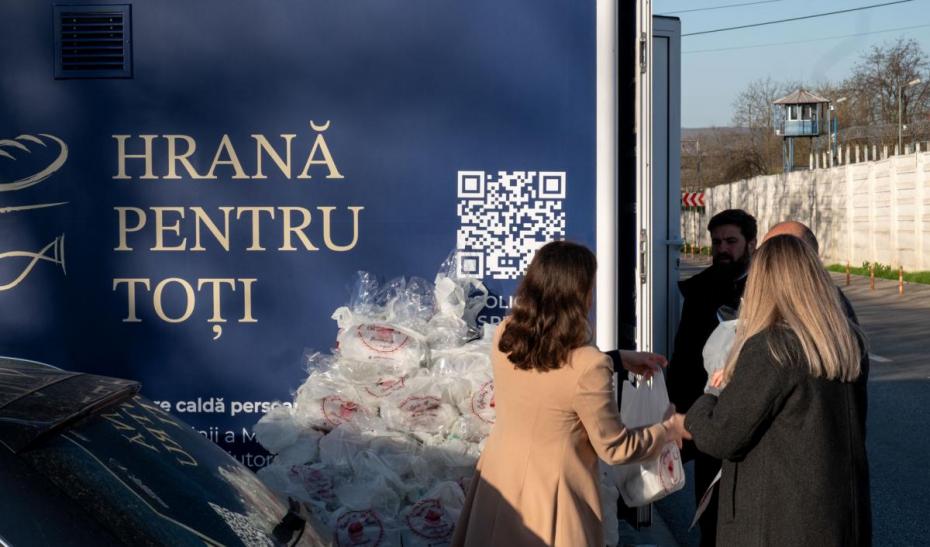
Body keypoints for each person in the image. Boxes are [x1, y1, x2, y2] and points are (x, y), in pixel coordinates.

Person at [452, 241, 690, 547]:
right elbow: (615, 448)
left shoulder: (507, 334)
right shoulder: (588, 365)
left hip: (499, 480)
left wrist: (617, 358)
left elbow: (548, 374)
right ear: (580, 294)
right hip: (552, 496)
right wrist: (668, 429)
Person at [684, 235, 871, 546]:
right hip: (837, 517)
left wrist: (708, 399)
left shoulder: (772, 348)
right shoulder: (845, 341)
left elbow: (721, 436)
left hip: (778, 522)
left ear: (762, 284)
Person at [667, 208, 757, 547]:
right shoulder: (700, 289)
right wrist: (676, 413)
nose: (723, 249)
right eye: (717, 242)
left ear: (751, 243)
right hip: (707, 416)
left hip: (752, 413)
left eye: (731, 241)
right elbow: (685, 356)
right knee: (711, 511)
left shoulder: (766, 287)